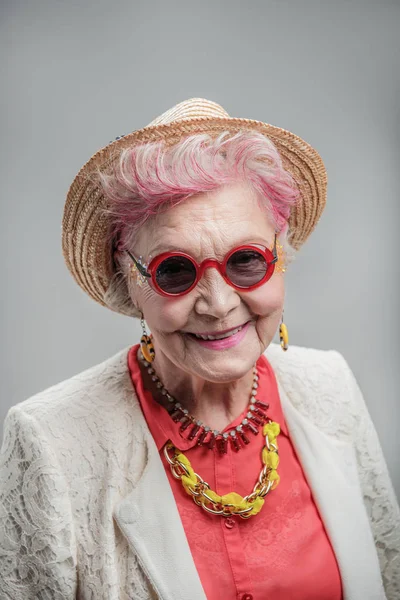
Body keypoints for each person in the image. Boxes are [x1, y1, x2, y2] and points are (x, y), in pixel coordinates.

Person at [0, 98, 399, 600]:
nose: (218, 303)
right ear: (131, 282)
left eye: (247, 261)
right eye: (175, 270)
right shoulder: (52, 442)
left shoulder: (332, 386)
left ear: (281, 256)